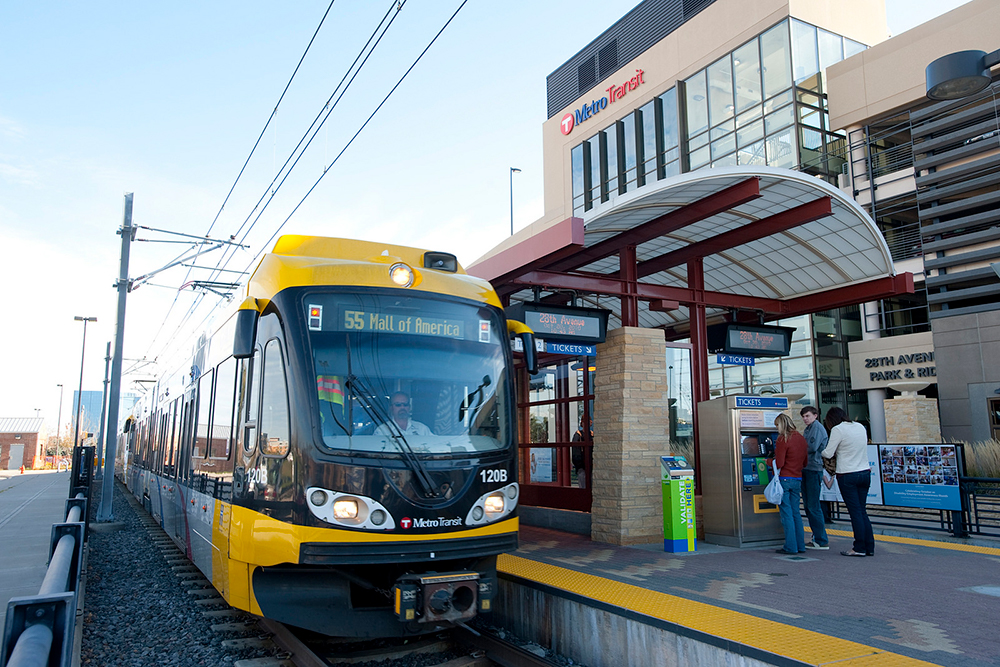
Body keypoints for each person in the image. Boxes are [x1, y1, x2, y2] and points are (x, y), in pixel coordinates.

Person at [821, 406, 874, 557]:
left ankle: (859, 547)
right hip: (865, 472)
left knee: (855, 512)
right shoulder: (860, 426)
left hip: (847, 474)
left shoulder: (837, 429)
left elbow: (828, 453)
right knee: (862, 511)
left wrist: (819, 450)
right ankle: (869, 546)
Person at [769, 413, 808, 555]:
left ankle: (791, 547)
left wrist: (768, 461)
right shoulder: (801, 439)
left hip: (784, 480)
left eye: (777, 425)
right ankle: (800, 545)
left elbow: (779, 463)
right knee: (796, 513)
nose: (777, 429)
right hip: (797, 479)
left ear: (782, 424)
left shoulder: (783, 439)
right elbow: (805, 462)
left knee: (787, 514)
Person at [799, 406, 829, 550]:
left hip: (813, 469)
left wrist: (796, 449)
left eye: (808, 416)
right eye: (803, 416)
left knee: (813, 506)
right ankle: (817, 537)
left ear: (815, 415)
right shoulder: (809, 428)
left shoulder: (816, 428)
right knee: (809, 506)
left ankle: (820, 539)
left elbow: (811, 447)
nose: (805, 419)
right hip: (807, 468)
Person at [571, 418, 593, 488]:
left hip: (592, 466)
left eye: (589, 422)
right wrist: (579, 465)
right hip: (582, 467)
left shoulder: (592, 435)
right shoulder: (578, 435)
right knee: (583, 486)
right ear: (582, 423)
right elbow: (575, 451)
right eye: (584, 422)